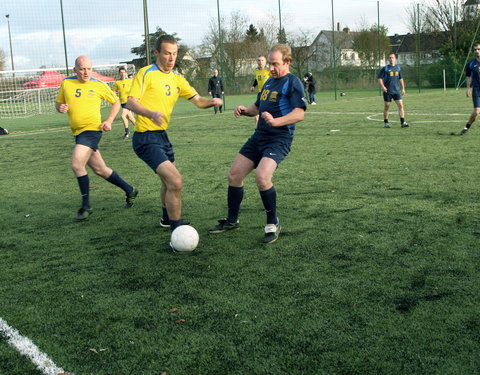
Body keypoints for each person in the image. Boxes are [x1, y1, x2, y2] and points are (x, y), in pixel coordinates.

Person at [209, 44, 306, 244]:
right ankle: (232, 220)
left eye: (275, 64)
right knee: (234, 174)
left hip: (278, 140)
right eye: (269, 63)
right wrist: (245, 110)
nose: (270, 68)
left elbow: (300, 113)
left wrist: (276, 121)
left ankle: (272, 222)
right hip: (259, 137)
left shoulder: (292, 82)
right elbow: (257, 107)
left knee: (262, 177)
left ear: (287, 62)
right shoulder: (269, 82)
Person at [126, 34, 222, 233]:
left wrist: (211, 102)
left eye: (175, 54)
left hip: (162, 136)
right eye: (167, 53)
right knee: (175, 181)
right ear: (156, 53)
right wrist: (150, 113)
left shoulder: (177, 79)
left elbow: (197, 100)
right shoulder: (146, 73)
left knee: (167, 182)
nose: (171, 58)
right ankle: (177, 231)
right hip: (145, 137)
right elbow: (131, 102)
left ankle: (166, 219)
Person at [55, 56, 138, 221]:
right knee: (101, 169)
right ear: (75, 70)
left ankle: (86, 205)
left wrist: (108, 121)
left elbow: (115, 102)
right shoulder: (66, 83)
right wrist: (60, 107)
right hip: (78, 133)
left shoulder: (98, 84)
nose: (86, 72)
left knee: (77, 164)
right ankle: (130, 190)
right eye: (82, 69)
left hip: (92, 130)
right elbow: (58, 103)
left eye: (88, 69)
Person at [377, 52, 409, 128]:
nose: (391, 59)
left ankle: (403, 122)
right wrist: (383, 86)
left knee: (401, 106)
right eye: (390, 58)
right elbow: (380, 78)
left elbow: (401, 78)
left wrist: (403, 88)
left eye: (392, 57)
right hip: (387, 92)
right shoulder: (385, 68)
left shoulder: (398, 68)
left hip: (396, 91)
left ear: (395, 59)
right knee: (387, 107)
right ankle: (386, 123)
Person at [460, 42, 480, 135]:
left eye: (479, 49)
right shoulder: (471, 64)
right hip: (476, 89)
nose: (477, 51)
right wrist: (468, 88)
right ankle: (466, 127)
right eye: (475, 49)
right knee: (476, 113)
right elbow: (468, 76)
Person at [113, 67, 136, 139]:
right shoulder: (117, 82)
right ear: (119, 73)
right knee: (131, 118)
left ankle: (127, 132)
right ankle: (142, 129)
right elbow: (114, 91)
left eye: (124, 72)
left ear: (125, 73)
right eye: (121, 72)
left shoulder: (130, 81)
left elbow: (136, 88)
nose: (122, 74)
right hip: (123, 102)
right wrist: (113, 97)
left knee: (123, 116)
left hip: (129, 102)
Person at [250, 55, 272, 124]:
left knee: (268, 110)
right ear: (257, 62)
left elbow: (273, 80)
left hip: (268, 93)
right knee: (258, 111)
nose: (260, 62)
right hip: (260, 93)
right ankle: (258, 127)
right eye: (259, 60)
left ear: (265, 62)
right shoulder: (256, 70)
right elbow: (256, 79)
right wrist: (253, 86)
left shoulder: (268, 70)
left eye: (262, 60)